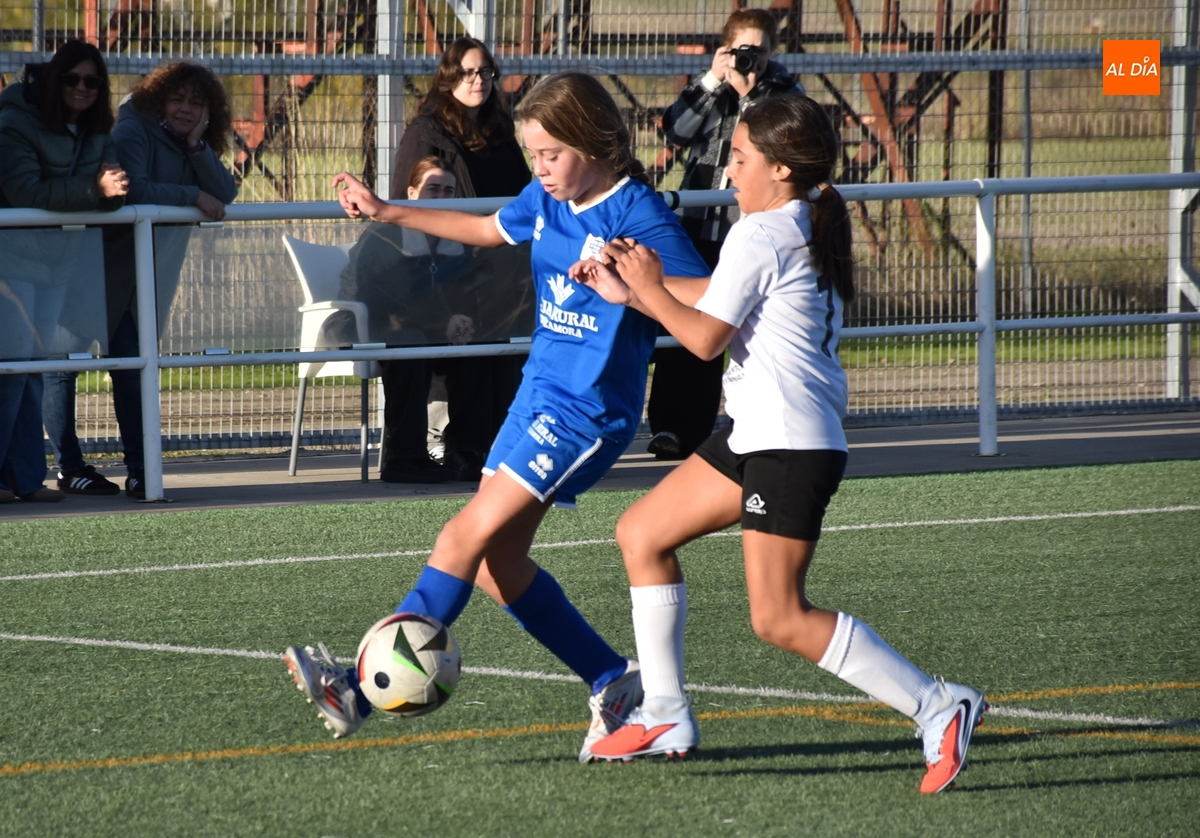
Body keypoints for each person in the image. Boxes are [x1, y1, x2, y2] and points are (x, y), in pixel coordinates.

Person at [283, 72, 710, 762]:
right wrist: (388, 210)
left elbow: (706, 294)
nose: (539, 168)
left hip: (586, 409)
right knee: (495, 565)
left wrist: (638, 285)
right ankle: (612, 681)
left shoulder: (637, 214)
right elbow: (486, 229)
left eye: (551, 154)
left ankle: (356, 690)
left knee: (464, 533)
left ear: (591, 142)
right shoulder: (548, 197)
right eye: (532, 154)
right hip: (539, 394)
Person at [573, 95, 987, 794]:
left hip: (788, 445)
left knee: (779, 616)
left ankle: (939, 705)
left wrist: (647, 286)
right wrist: (634, 293)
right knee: (642, 533)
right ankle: (666, 713)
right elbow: (718, 296)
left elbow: (705, 339)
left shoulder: (761, 232)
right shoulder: (792, 224)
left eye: (740, 158)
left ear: (781, 169)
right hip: (760, 435)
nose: (729, 171)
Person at [39, 60, 237, 500]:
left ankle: (141, 469)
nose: (185, 109)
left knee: (131, 369)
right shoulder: (134, 130)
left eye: (196, 102)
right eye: (177, 99)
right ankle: (69, 466)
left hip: (138, 283)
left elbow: (226, 192)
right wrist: (192, 195)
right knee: (61, 364)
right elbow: (134, 190)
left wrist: (196, 147)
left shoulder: (191, 141)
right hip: (93, 268)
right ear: (158, 100)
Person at [647, 7, 806, 461]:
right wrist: (712, 82)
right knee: (683, 322)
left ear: (772, 52)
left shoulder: (783, 92)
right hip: (699, 227)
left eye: (760, 50)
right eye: (742, 49)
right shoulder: (712, 86)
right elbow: (674, 131)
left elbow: (772, 141)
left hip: (750, 231)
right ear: (725, 48)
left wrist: (749, 96)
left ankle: (704, 429)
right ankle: (669, 427)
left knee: (726, 329)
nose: (751, 58)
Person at [388, 36, 533, 481]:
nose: (478, 81)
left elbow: (525, 197)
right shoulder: (427, 133)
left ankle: (485, 449)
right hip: (444, 275)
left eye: (485, 72)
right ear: (449, 77)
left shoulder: (499, 131)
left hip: (499, 271)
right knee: (477, 340)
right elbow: (410, 208)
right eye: (467, 73)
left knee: (504, 344)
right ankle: (447, 450)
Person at [335, 157, 531, 483]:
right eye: (433, 189)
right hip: (371, 325)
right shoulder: (384, 236)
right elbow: (386, 303)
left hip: (435, 330)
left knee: (486, 345)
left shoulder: (462, 242)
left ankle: (469, 452)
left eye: (448, 191)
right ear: (411, 193)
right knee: (409, 343)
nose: (441, 197)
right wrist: (442, 323)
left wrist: (467, 322)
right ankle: (404, 457)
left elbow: (474, 290)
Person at [0, 40, 128, 503]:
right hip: (11, 261)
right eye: (72, 79)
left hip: (57, 265)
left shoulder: (97, 128)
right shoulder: (15, 119)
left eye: (92, 81)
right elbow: (23, 191)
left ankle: (27, 480)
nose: (81, 88)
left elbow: (114, 190)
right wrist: (94, 189)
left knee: (33, 369)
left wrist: (110, 191)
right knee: (11, 370)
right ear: (55, 80)